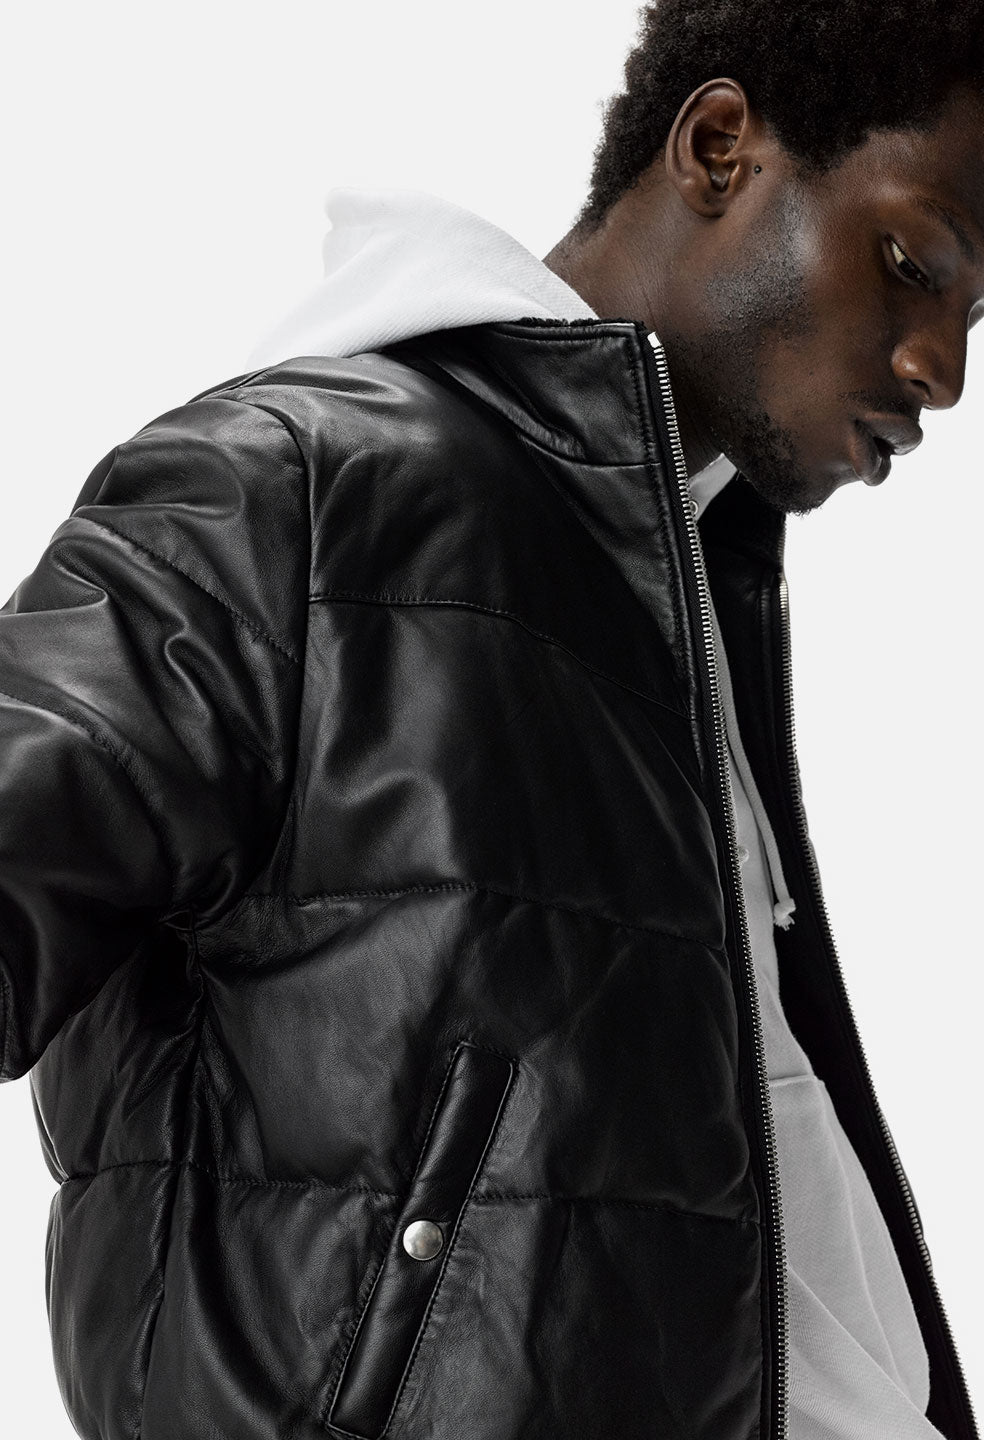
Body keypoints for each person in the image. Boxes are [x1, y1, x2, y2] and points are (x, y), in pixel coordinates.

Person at [0, 1, 980, 1436]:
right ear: (719, 147)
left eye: (975, 317)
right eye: (913, 266)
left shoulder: (674, 585)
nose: (942, 368)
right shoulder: (299, 489)